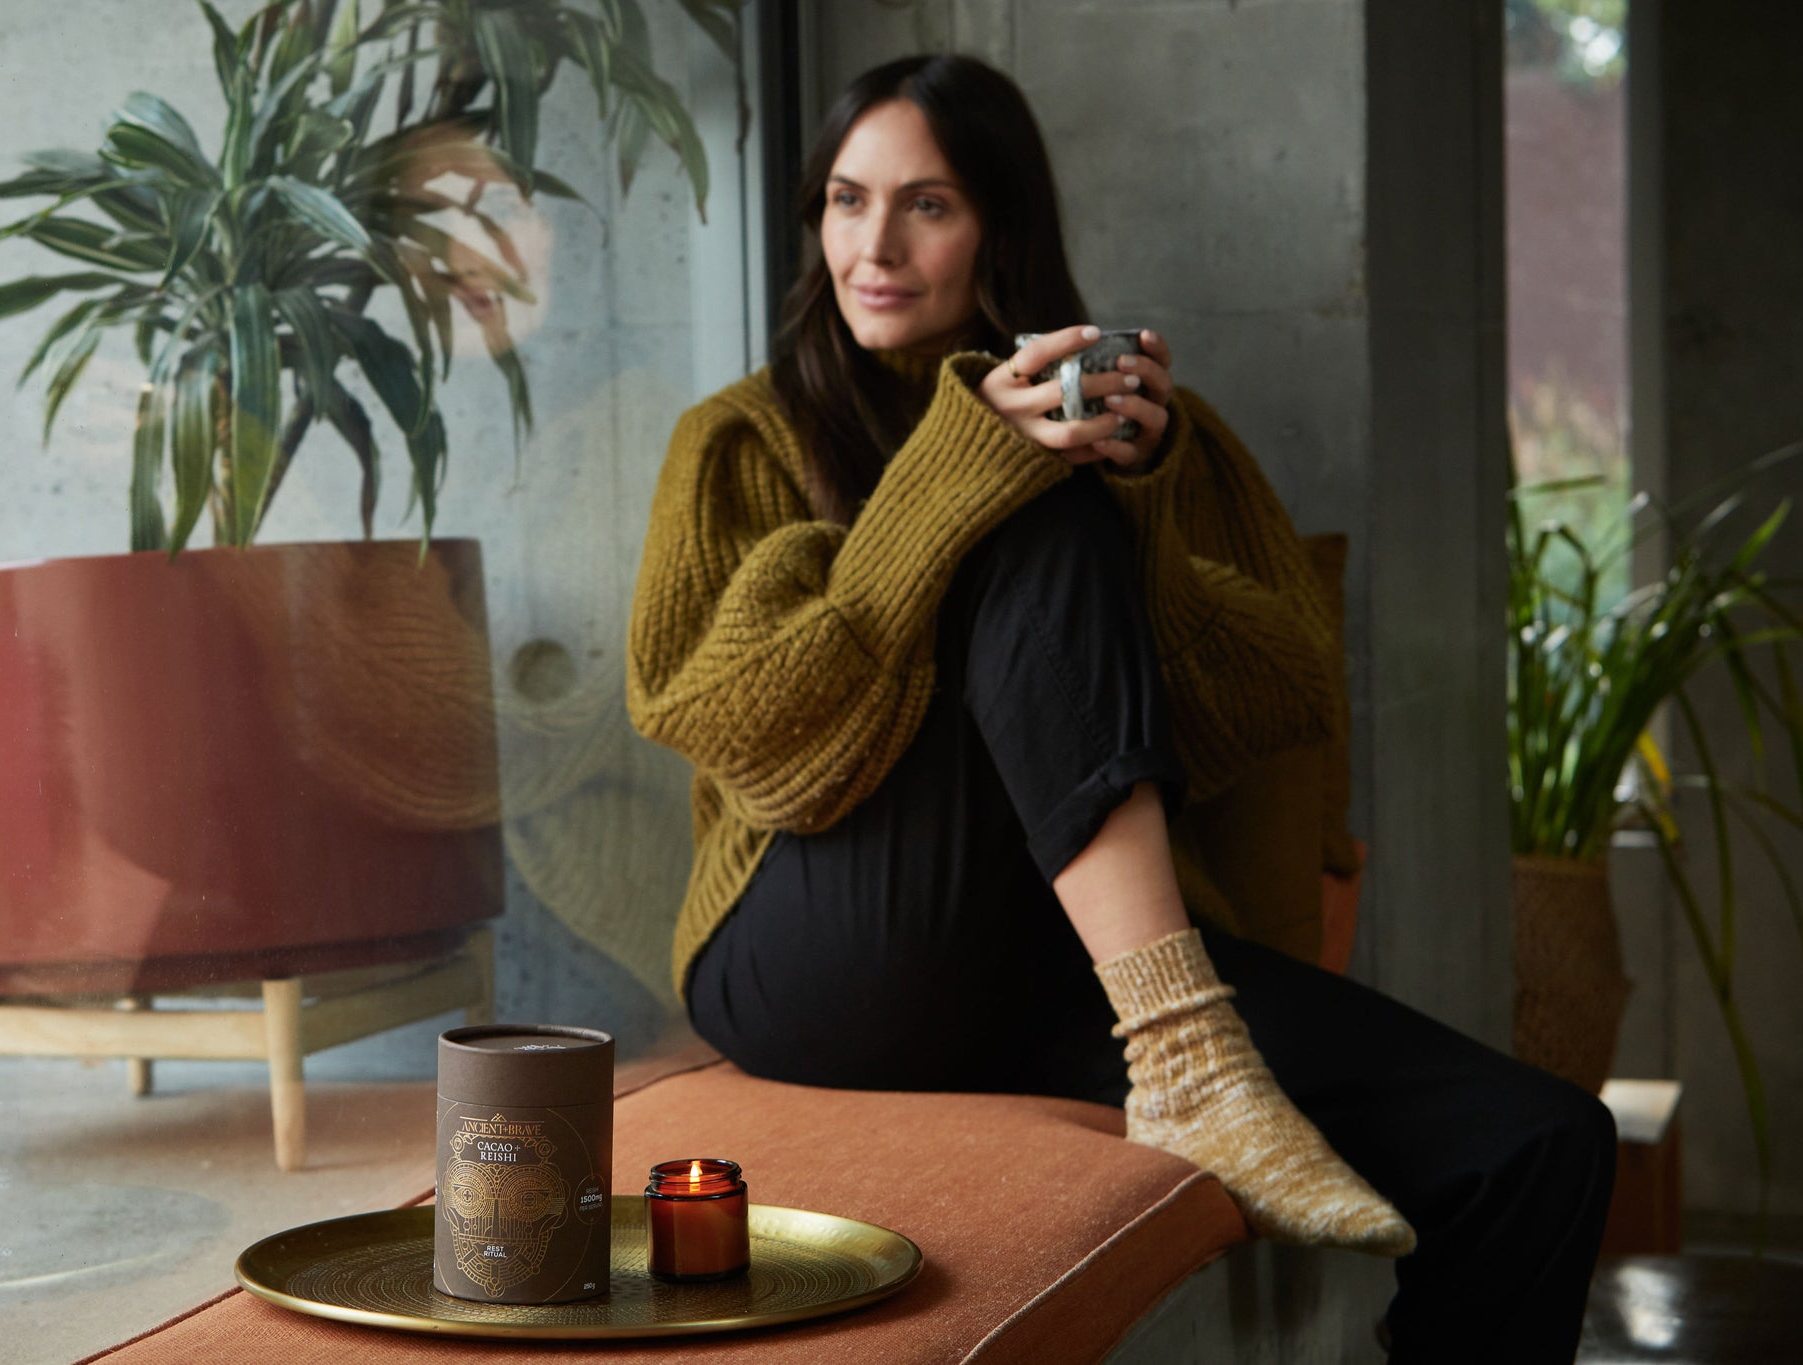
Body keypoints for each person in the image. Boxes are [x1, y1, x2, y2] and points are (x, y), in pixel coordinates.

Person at [627, 53, 1615, 1362]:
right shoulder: (740, 439)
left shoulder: (1154, 443)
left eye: (927, 205)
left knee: (1542, 1142)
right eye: (845, 200)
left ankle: (1178, 1041)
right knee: (1038, 508)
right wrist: (960, 478)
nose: (876, 244)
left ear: (1001, 228)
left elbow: (1283, 704)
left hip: (1070, 963)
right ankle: (1191, 1053)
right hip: (813, 950)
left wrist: (1144, 508)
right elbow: (743, 733)